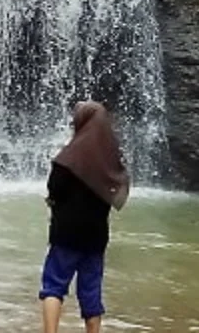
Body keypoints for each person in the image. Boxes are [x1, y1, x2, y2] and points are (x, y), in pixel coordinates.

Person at [39, 101, 131, 333]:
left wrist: (54, 203)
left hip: (66, 234)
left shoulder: (68, 158)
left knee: (53, 286)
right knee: (91, 292)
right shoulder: (111, 163)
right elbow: (118, 193)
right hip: (96, 237)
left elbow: (54, 190)